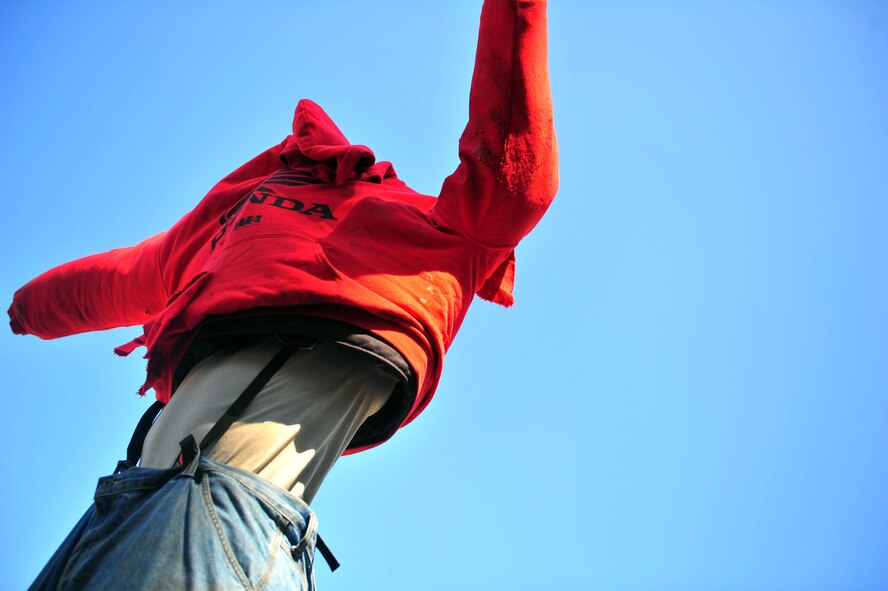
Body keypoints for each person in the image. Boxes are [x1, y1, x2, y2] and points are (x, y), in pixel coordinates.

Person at [8, 0, 558, 588]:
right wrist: (22, 311)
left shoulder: (427, 231)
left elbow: (515, 172)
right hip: (124, 509)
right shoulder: (227, 229)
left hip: (214, 510)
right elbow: (118, 279)